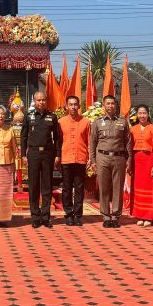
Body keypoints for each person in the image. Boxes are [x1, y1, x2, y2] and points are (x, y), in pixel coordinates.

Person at [20, 90, 62, 228]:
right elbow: (23, 136)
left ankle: (46, 217)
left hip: (48, 154)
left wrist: (57, 154)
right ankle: (35, 217)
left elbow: (57, 138)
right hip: (33, 153)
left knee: (47, 186)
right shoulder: (28, 116)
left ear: (46, 101)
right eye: (38, 100)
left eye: (43, 100)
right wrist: (23, 155)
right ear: (34, 101)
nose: (41, 102)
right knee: (33, 186)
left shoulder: (52, 116)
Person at [90, 95, 132, 228]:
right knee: (104, 188)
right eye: (108, 104)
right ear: (103, 105)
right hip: (102, 157)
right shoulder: (97, 122)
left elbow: (128, 142)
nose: (110, 106)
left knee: (117, 187)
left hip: (119, 158)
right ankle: (106, 216)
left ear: (116, 105)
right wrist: (93, 160)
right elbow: (93, 142)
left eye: (112, 103)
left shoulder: (122, 121)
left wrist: (129, 158)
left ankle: (115, 216)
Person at [58, 95, 90, 226]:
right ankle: (68, 214)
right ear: (66, 106)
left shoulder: (86, 122)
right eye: (70, 104)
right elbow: (58, 141)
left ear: (79, 106)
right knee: (66, 188)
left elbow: (89, 141)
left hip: (81, 158)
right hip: (66, 158)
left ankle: (77, 215)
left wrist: (90, 159)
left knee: (79, 188)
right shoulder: (61, 122)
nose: (73, 107)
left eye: (75, 104)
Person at [130, 104, 153, 226]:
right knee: (138, 187)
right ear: (137, 115)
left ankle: (149, 217)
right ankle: (140, 215)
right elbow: (129, 147)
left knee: (149, 188)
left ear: (148, 114)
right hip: (137, 160)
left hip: (149, 160)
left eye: (144, 113)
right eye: (140, 113)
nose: (142, 115)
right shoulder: (133, 129)